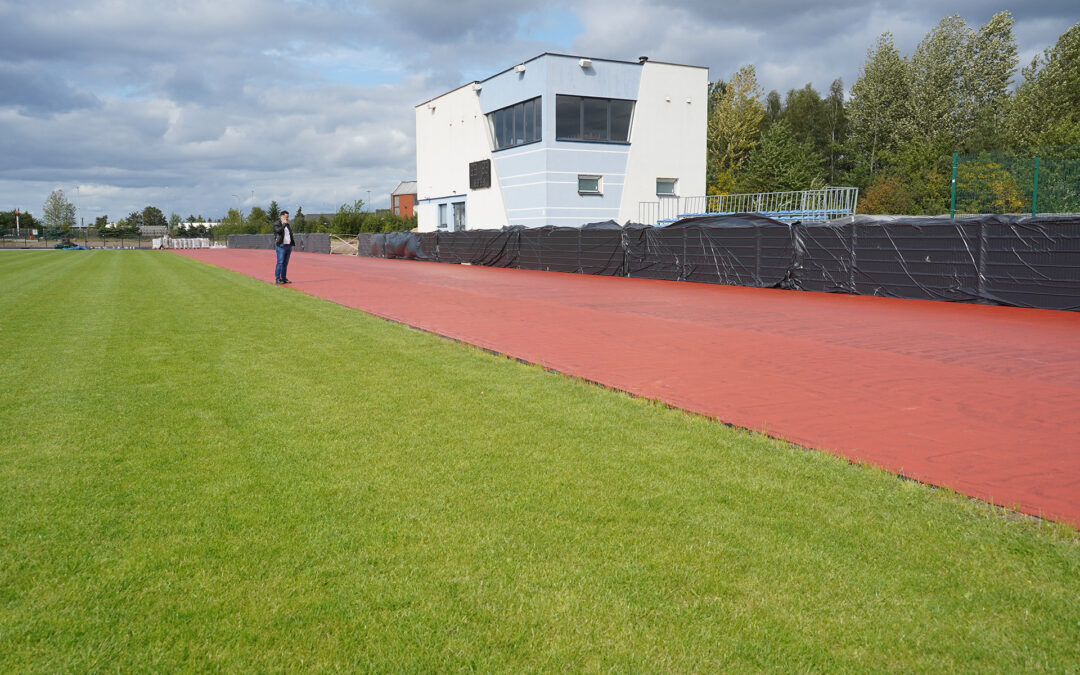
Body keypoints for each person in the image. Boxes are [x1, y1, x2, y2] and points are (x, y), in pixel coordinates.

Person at [273, 210, 295, 284]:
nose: (287, 218)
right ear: (282, 216)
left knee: (285, 263)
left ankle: (284, 278)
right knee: (280, 262)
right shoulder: (277, 223)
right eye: (286, 217)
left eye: (288, 217)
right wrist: (284, 224)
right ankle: (277, 279)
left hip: (288, 246)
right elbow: (278, 231)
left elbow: (289, 234)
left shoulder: (287, 224)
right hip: (281, 246)